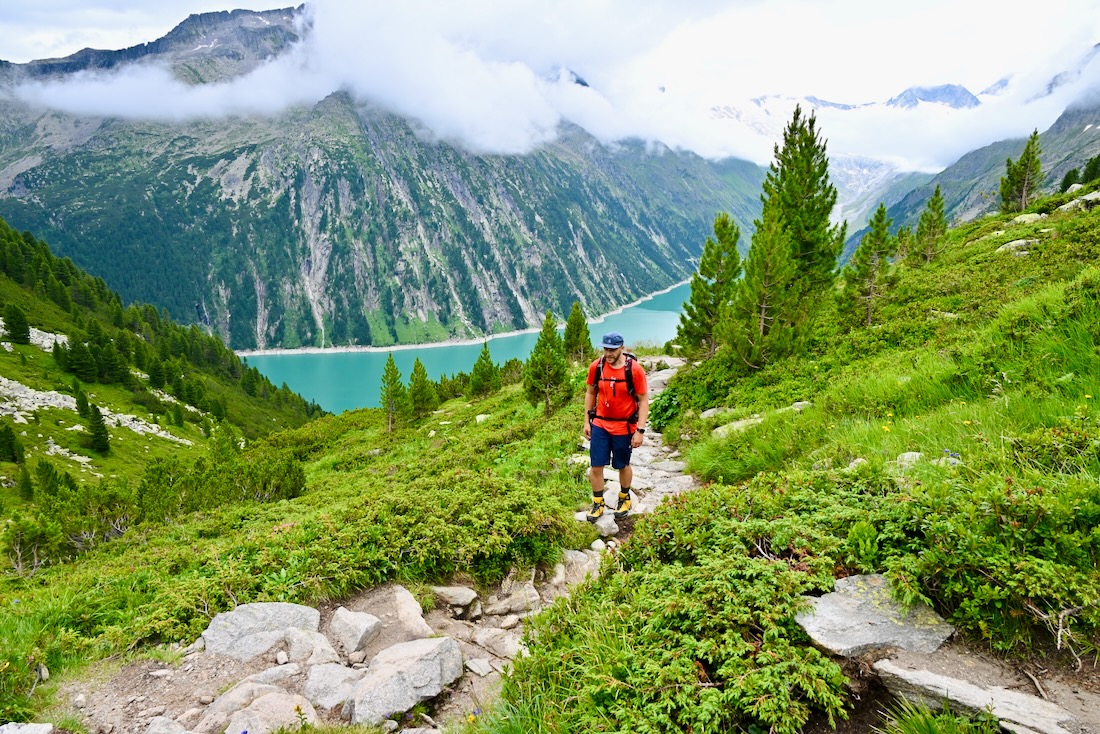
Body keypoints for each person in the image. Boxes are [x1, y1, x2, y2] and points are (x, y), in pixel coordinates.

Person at [583, 331, 649, 522]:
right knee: (596, 465)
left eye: (612, 350)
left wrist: (640, 430)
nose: (608, 353)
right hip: (601, 424)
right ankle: (598, 502)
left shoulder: (634, 370)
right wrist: (587, 421)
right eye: (605, 349)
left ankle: (624, 497)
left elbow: (643, 400)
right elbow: (590, 393)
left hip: (624, 427)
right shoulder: (597, 367)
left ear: (622, 348)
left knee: (623, 464)